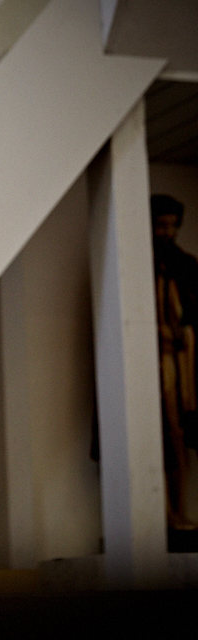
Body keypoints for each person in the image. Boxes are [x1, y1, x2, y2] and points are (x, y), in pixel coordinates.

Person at [151, 194, 198, 531]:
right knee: (162, 437)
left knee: (182, 436)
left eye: (171, 225)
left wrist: (183, 332)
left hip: (183, 364)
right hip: (155, 365)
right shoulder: (141, 264)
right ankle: (164, 512)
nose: (166, 232)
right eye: (160, 225)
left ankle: (180, 510)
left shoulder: (184, 265)